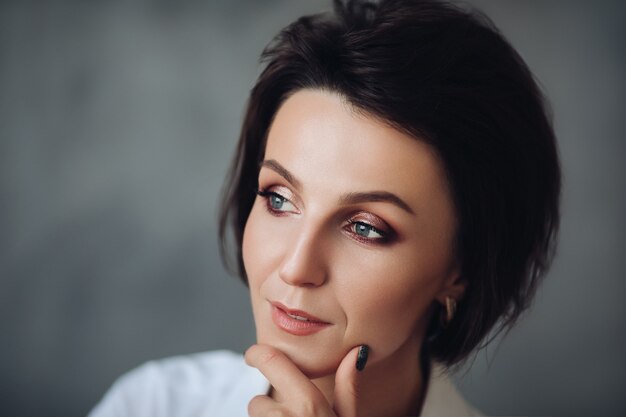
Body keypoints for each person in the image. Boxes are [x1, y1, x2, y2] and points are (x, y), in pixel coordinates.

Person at [88, 0, 561, 416]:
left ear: (461, 267)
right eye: (278, 199)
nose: (296, 268)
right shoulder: (155, 404)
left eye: (365, 228)